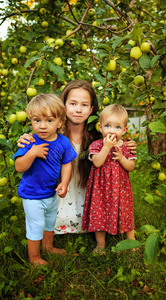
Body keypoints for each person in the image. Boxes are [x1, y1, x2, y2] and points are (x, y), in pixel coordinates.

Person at [17, 80, 137, 236]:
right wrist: (25, 139)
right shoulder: (51, 134)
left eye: (85, 105)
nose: (78, 110)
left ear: (92, 109)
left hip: (89, 193)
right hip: (59, 191)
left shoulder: (97, 137)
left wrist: (127, 144)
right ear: (63, 105)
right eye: (72, 104)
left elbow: (116, 134)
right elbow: (35, 138)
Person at [14, 94, 77, 266]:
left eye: (49, 120)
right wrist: (32, 153)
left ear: (60, 122)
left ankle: (48, 247)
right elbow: (19, 167)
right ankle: (34, 258)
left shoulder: (63, 142)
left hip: (51, 193)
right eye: (37, 120)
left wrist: (64, 183)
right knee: (36, 224)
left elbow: (66, 164)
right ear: (31, 121)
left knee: (50, 222)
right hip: (32, 194)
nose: (42, 126)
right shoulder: (29, 141)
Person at [82, 104, 136, 254]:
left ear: (125, 130)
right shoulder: (96, 145)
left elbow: (131, 166)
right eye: (107, 126)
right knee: (100, 213)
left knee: (125, 212)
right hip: (101, 188)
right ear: (100, 127)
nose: (112, 131)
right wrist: (106, 147)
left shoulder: (126, 147)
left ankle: (131, 240)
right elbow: (97, 162)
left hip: (121, 189)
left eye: (117, 127)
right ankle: (101, 244)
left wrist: (121, 158)